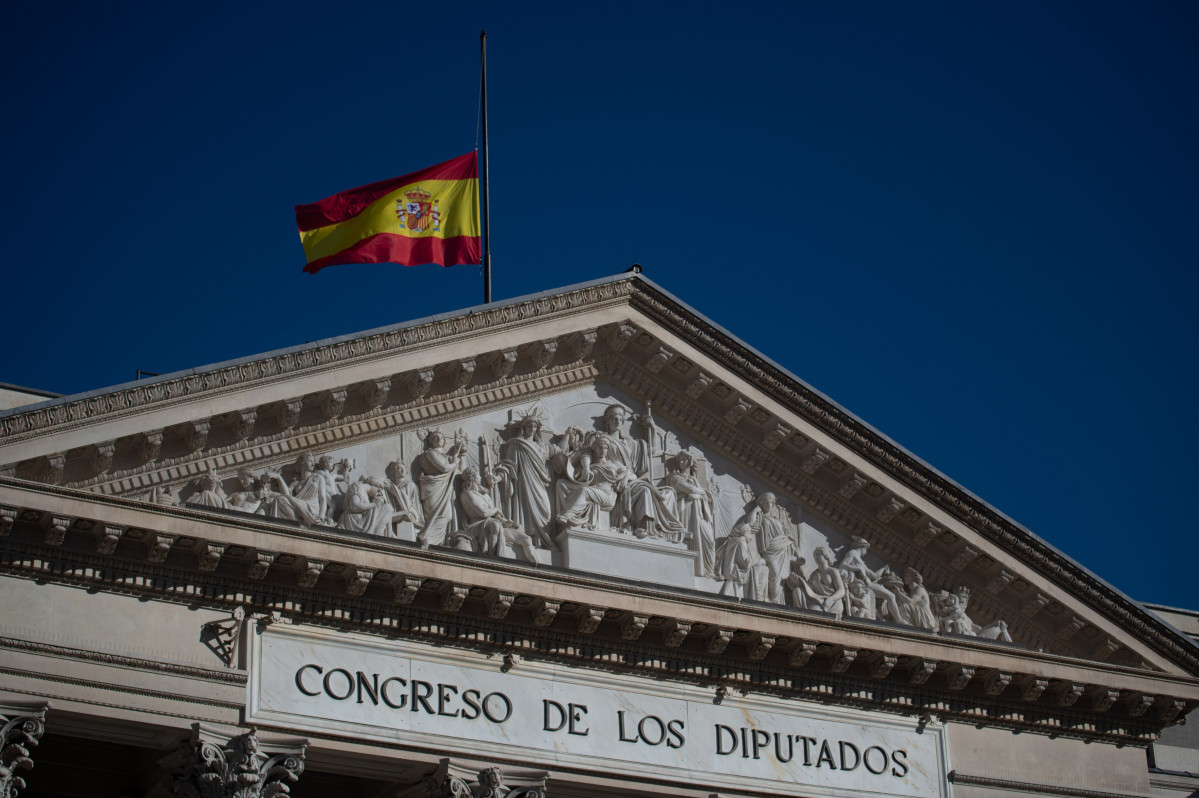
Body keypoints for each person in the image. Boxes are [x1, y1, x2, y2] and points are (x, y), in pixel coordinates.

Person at [592, 404, 684, 540]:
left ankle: (663, 529)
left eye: (620, 419)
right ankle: (643, 526)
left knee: (669, 492)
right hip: (614, 479)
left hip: (631, 479)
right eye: (613, 419)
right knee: (645, 490)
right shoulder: (602, 439)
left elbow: (651, 450)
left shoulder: (631, 444)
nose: (617, 421)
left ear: (623, 422)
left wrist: (652, 427)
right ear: (607, 422)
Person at [493, 412, 558, 550]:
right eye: (529, 425)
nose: (532, 428)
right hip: (523, 482)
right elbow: (508, 466)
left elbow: (559, 452)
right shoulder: (516, 444)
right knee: (525, 510)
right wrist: (497, 477)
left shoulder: (541, 447)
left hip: (539, 482)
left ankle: (542, 539)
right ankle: (529, 540)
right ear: (524, 427)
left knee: (545, 512)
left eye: (535, 426)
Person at [458, 468, 538, 563]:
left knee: (526, 538)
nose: (480, 477)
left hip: (494, 526)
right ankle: (492, 559)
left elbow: (497, 515)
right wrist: (496, 509)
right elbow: (483, 513)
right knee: (494, 525)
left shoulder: (485, 496)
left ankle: (539, 569)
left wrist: (506, 522)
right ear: (472, 478)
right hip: (476, 527)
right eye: (478, 475)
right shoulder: (467, 494)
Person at [661, 451, 715, 576]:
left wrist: (699, 494)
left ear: (691, 462)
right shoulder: (674, 477)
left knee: (710, 542)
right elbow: (687, 488)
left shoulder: (694, 480)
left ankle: (707, 570)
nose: (682, 462)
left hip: (699, 515)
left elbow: (702, 496)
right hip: (686, 512)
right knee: (691, 540)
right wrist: (700, 493)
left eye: (685, 459)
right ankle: (692, 570)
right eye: (680, 459)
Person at [556, 436, 627, 531]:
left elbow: (630, 474)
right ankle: (564, 515)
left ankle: (570, 514)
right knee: (561, 483)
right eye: (600, 447)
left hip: (607, 494)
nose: (603, 450)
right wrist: (585, 471)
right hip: (594, 491)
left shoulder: (614, 464)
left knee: (585, 491)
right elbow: (581, 479)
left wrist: (624, 479)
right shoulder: (591, 466)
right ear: (595, 449)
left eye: (605, 448)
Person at [735, 493, 793, 602]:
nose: (771, 504)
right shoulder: (760, 517)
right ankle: (774, 601)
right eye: (768, 502)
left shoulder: (776, 520)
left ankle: (776, 601)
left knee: (781, 578)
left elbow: (785, 537)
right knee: (774, 573)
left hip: (782, 551)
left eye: (772, 502)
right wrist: (756, 510)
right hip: (770, 551)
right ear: (762, 503)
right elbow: (749, 523)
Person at [415, 431, 465, 548]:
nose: (438, 438)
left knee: (447, 515)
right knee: (434, 514)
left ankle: (431, 539)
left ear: (444, 441)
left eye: (441, 437)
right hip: (432, 489)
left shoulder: (448, 458)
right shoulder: (431, 454)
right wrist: (454, 463)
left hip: (443, 490)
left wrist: (461, 456)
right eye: (435, 437)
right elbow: (444, 468)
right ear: (430, 441)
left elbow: (461, 473)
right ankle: (426, 537)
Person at [258, 453, 330, 525]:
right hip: (298, 506)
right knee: (279, 500)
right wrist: (279, 477)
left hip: (310, 508)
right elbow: (287, 495)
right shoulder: (295, 483)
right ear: (302, 463)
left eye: (313, 462)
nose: (313, 464)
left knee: (280, 499)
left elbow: (323, 498)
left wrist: (322, 515)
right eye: (310, 461)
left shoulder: (318, 478)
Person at [782, 546, 846, 618]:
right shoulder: (814, 574)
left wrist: (831, 599)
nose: (815, 557)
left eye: (818, 554)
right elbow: (809, 589)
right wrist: (798, 581)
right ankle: (800, 616)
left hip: (832, 602)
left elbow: (841, 590)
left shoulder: (832, 571)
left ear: (825, 555)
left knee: (814, 611)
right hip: (818, 600)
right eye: (814, 555)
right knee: (797, 590)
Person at [714, 522, 770, 601]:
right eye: (750, 533)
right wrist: (760, 561)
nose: (751, 537)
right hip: (736, 572)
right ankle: (758, 595)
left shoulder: (733, 541)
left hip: (731, 570)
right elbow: (746, 562)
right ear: (745, 533)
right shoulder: (741, 541)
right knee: (764, 570)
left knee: (759, 569)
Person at [382, 461, 424, 536]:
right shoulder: (392, 486)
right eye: (399, 468)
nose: (403, 470)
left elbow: (405, 501)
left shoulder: (410, 484)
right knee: (382, 516)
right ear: (393, 472)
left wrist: (392, 489)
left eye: (404, 468)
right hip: (397, 512)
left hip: (410, 512)